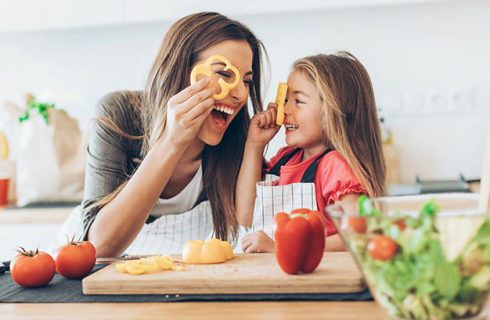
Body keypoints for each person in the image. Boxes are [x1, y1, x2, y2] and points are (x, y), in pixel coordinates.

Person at [77, 12, 266, 257]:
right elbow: (100, 247)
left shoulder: (239, 139)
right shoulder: (119, 112)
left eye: (247, 81)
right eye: (224, 74)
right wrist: (172, 141)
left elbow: (248, 222)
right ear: (180, 70)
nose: (240, 94)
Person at [236, 52, 386, 253]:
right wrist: (254, 145)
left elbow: (360, 234)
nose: (285, 110)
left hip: (317, 281)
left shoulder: (335, 165)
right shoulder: (285, 158)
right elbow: (246, 216)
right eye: (286, 99)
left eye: (298, 101)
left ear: (334, 111)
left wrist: (283, 248)